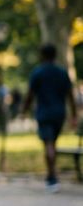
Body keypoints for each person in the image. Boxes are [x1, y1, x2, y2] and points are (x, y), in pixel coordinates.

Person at [22, 44, 78, 193]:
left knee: (48, 144)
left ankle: (52, 177)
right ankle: (51, 175)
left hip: (44, 113)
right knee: (52, 143)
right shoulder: (62, 72)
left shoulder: (38, 73)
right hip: (59, 113)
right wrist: (74, 115)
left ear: (42, 55)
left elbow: (30, 94)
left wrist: (24, 111)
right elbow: (70, 95)